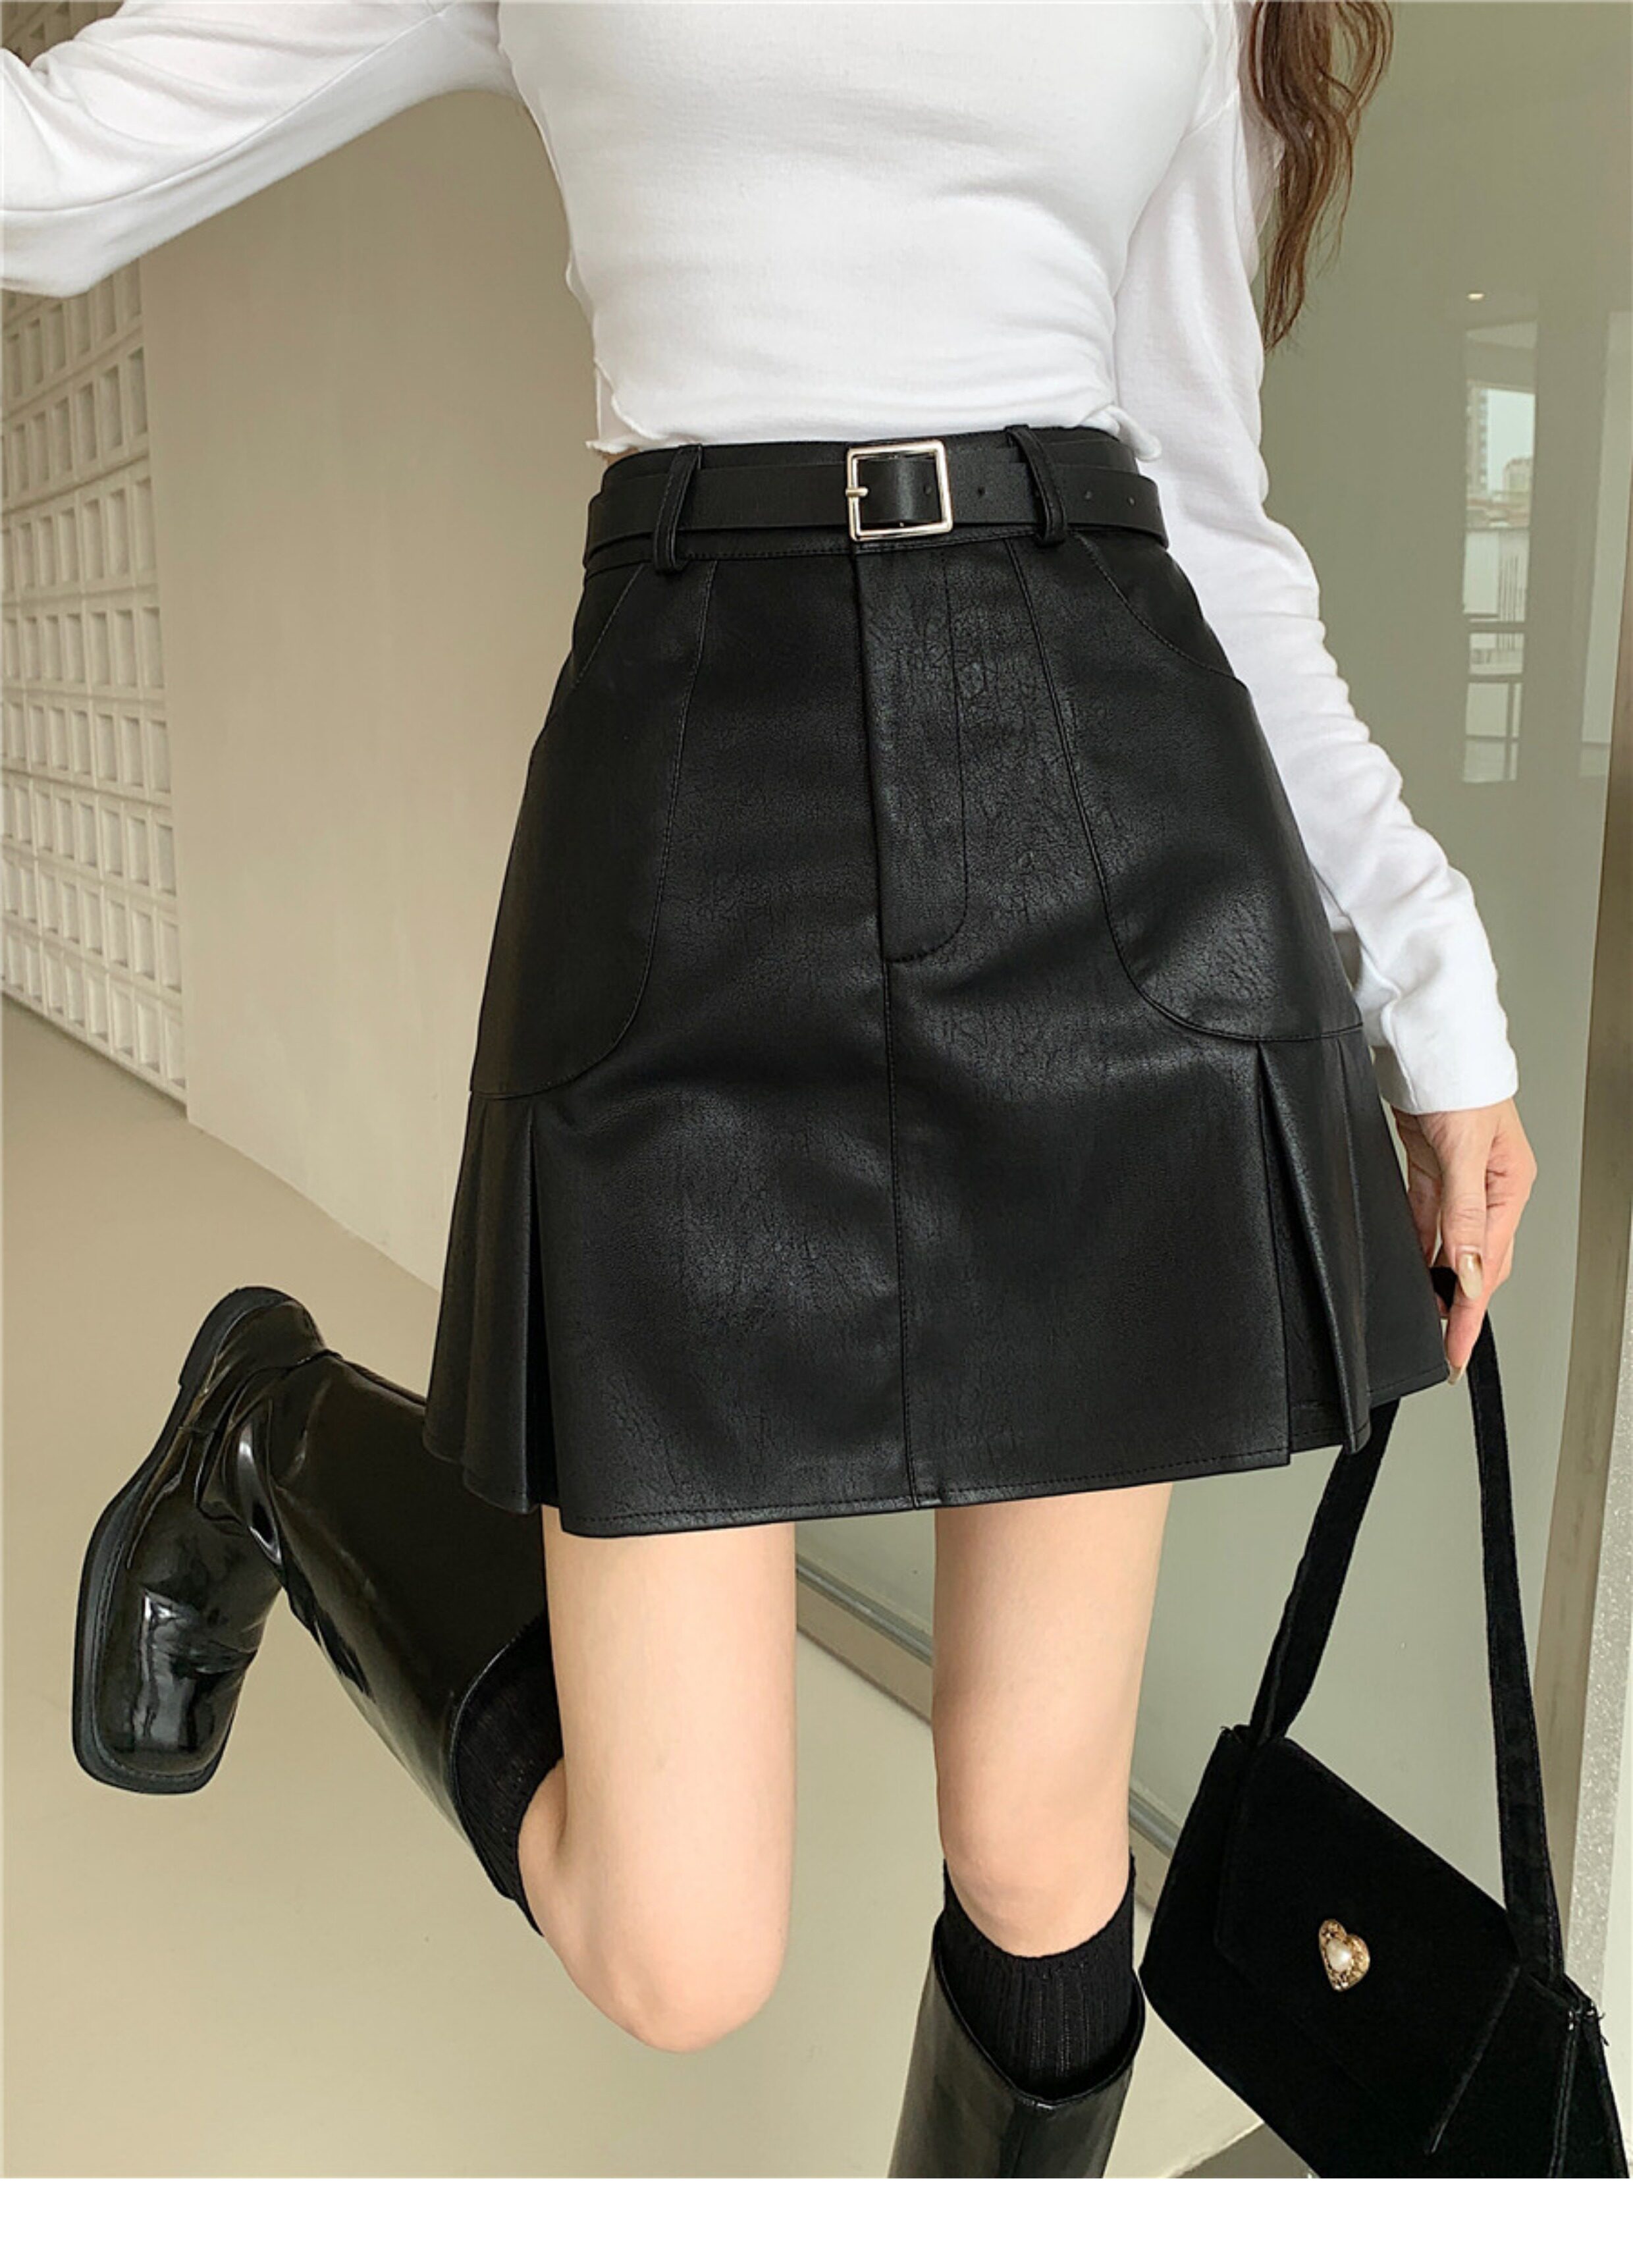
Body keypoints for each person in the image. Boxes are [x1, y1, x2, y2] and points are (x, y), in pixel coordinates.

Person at [3, 1, 1536, 2179]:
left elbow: (1209, 506)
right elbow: (50, 175)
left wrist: (1440, 994)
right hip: (696, 802)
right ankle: (272, 1424)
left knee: (1041, 1842)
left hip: (1102, 794)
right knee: (677, 1940)